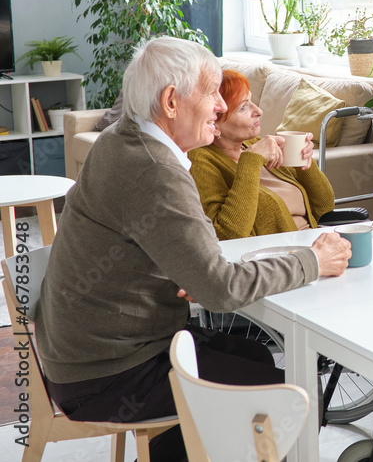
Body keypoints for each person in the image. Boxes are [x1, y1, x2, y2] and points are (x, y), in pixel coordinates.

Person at [34, 37, 353, 461]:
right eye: (212, 94)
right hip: (109, 374)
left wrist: (192, 271)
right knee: (291, 395)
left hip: (80, 356)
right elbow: (219, 289)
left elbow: (192, 258)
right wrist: (314, 260)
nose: (221, 107)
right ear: (171, 101)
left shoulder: (119, 139)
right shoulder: (155, 169)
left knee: (255, 354)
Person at [190, 69, 336, 239]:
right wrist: (251, 161)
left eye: (252, 101)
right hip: (281, 257)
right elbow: (228, 234)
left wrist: (303, 163)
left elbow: (325, 208)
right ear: (213, 122)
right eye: (243, 107)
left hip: (314, 241)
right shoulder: (199, 161)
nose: (258, 110)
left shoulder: (253, 144)